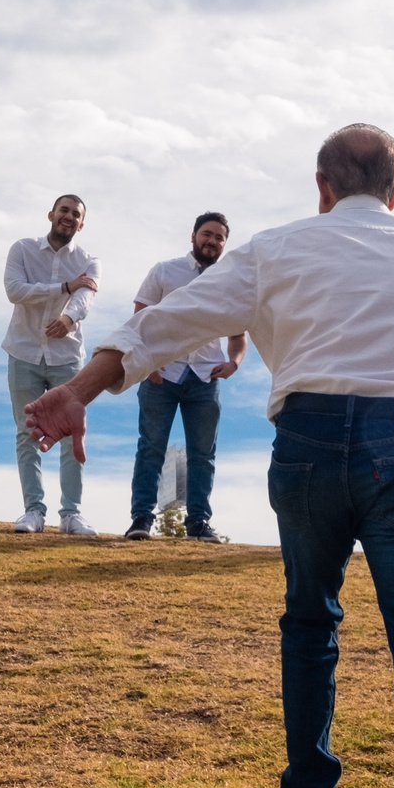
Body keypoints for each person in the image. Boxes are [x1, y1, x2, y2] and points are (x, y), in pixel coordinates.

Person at [23, 125, 394, 788]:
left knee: (311, 622)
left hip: (310, 442)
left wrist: (78, 389)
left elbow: (162, 327)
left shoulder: (276, 247)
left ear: (320, 185)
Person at [125, 212, 247, 543]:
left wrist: (233, 363)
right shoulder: (165, 272)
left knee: (203, 453)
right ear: (193, 236)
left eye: (220, 237)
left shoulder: (230, 283)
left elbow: (239, 336)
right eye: (207, 234)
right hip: (161, 374)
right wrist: (147, 363)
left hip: (205, 378)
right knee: (151, 447)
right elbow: (139, 322)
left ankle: (198, 524)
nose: (212, 241)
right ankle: (141, 519)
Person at [1, 193, 100, 535]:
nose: (69, 217)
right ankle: (33, 512)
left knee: (73, 432)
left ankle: (71, 514)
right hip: (24, 353)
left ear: (81, 223)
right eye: (64, 210)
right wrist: (63, 287)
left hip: (67, 358)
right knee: (28, 431)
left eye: (76, 214)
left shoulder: (89, 260)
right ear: (51, 214)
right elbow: (15, 290)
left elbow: (85, 296)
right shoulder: (23, 250)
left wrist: (70, 318)